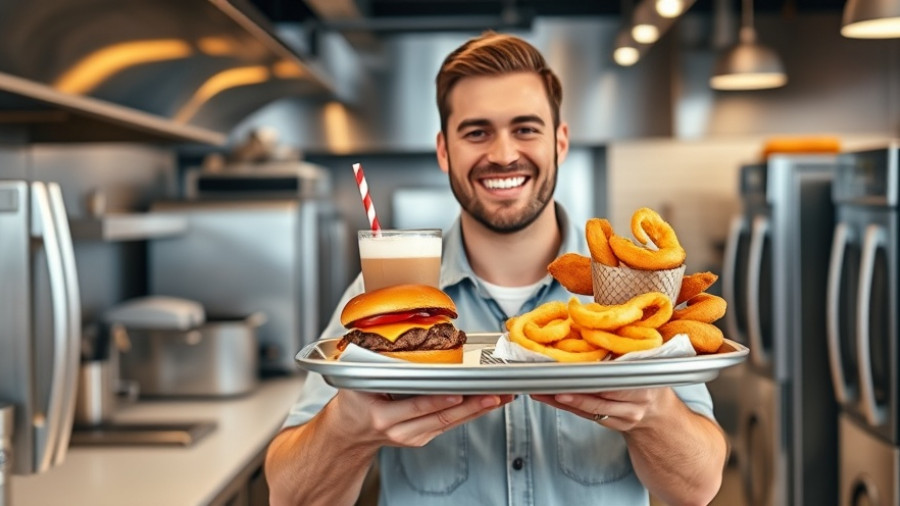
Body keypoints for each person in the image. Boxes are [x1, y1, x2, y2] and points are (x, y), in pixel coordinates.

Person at [265, 32, 728, 506]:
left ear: (560, 142)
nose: (504, 154)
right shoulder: (385, 293)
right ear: (445, 150)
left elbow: (697, 489)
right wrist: (347, 431)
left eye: (526, 129)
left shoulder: (633, 295)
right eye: (477, 132)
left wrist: (655, 412)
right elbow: (288, 496)